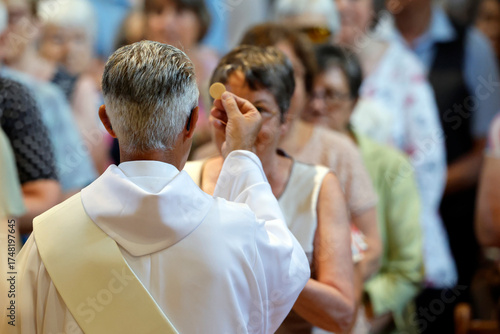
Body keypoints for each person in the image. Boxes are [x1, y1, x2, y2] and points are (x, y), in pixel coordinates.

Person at [17, 40, 310, 334]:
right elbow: (289, 270)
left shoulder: (47, 238)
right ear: (193, 121)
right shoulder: (241, 234)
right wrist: (242, 157)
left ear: (107, 122)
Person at [186, 45, 355, 333]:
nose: (238, 125)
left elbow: (340, 315)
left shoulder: (319, 187)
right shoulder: (188, 179)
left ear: (286, 121)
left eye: (258, 110)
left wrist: (271, 264)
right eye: (229, 109)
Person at [234, 23, 381, 284]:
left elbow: (371, 246)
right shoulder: (216, 152)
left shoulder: (338, 150)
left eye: (292, 73)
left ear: (306, 81)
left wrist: (336, 300)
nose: (281, 85)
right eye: (266, 74)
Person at [384, 0, 500, 330]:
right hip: (380, 219)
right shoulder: (372, 41)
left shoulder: (471, 46)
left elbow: (486, 149)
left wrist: (424, 186)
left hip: (450, 222)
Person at [304, 44, 424, 333]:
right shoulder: (288, 163)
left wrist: (357, 318)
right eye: (311, 94)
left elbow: (408, 269)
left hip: (373, 318)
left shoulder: (389, 165)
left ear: (355, 103)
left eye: (331, 95)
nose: (318, 106)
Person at [1, 0, 97, 196]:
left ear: (36, 24)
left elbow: (79, 181)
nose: (3, 27)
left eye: (13, 17)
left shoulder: (57, 91)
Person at [37, 0, 111, 173]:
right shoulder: (36, 92)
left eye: (79, 39)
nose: (69, 49)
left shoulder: (106, 88)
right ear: (39, 43)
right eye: (57, 39)